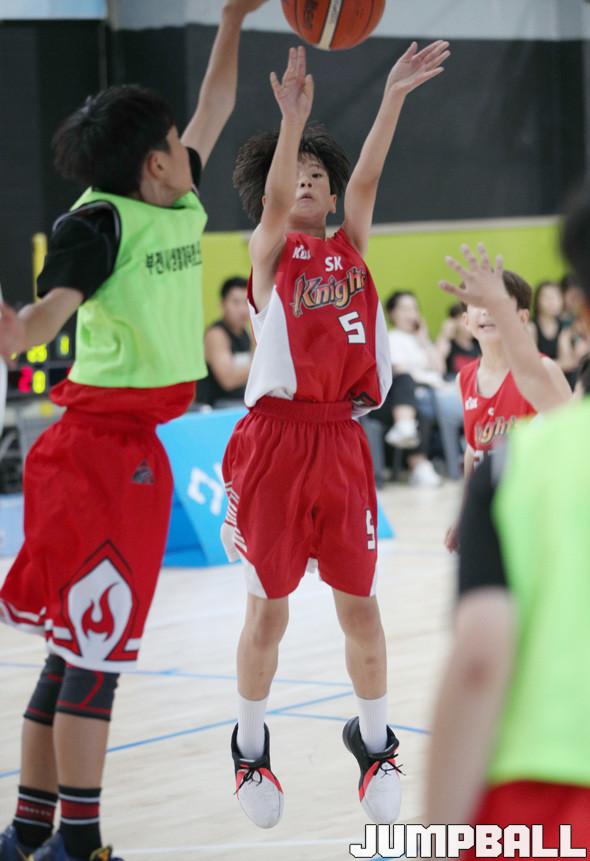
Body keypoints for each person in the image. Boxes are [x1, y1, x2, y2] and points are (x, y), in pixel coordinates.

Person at [0, 3, 268, 859]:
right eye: (176, 140)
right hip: (97, 456)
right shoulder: (97, 224)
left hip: (130, 450)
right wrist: (16, 332)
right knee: (94, 659)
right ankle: (79, 843)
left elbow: (216, 103)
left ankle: (30, 830)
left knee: (71, 654)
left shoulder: (172, 196)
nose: (191, 144)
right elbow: (48, 315)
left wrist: (231, 21)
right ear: (155, 161)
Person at [221, 41, 450, 829]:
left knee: (363, 607)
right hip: (275, 443)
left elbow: (370, 180)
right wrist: (291, 124)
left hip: (342, 440)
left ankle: (375, 741)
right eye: (298, 173)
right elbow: (276, 197)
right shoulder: (267, 252)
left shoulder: (349, 247)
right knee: (269, 613)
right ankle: (250, 746)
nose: (309, 181)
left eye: (320, 173)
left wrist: (392, 96)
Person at [424, 192, 590, 856]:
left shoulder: (532, 452)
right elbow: (476, 448)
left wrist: (437, 835)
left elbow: (477, 660)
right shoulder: (472, 386)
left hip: (547, 777)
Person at [442, 248, 571, 552]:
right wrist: (465, 513)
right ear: (465, 320)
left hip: (537, 510)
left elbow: (575, 442)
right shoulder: (464, 378)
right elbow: (473, 450)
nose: (485, 311)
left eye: (495, 302)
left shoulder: (543, 371)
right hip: (490, 509)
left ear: (522, 317)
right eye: (477, 304)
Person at [384, 290, 463, 483]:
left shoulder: (419, 340)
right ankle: (419, 461)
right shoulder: (391, 338)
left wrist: (424, 339)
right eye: (404, 309)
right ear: (392, 313)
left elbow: (440, 368)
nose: (410, 313)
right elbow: (398, 369)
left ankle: (408, 433)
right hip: (412, 393)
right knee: (411, 390)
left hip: (436, 392)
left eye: (414, 308)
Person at [199, 276, 252, 407]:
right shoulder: (216, 334)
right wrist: (262, 366)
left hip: (238, 402)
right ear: (223, 304)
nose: (242, 310)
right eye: (236, 302)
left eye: (246, 302)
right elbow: (228, 380)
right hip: (216, 407)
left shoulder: (245, 333)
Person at [436, 301, 480, 379]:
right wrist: (444, 335)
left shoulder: (479, 346)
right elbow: (438, 368)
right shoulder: (448, 345)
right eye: (464, 319)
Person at [529, 279, 564, 360]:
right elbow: (531, 360)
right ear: (537, 301)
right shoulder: (531, 327)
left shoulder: (565, 327)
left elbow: (568, 361)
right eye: (547, 297)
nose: (552, 301)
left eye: (555, 296)